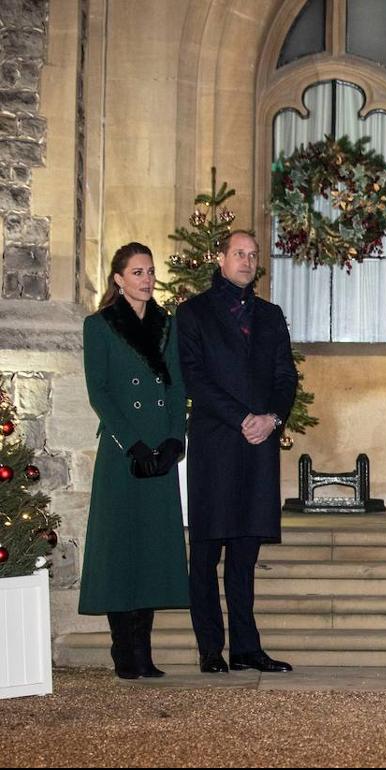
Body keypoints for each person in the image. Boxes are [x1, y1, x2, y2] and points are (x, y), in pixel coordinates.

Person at [177, 230, 298, 674]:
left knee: (245, 555)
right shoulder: (193, 313)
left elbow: (286, 376)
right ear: (221, 258)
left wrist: (272, 419)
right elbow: (193, 377)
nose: (247, 261)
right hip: (215, 445)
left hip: (259, 447)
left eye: (253, 255)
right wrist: (241, 418)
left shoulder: (270, 315)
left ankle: (247, 647)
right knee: (207, 554)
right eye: (239, 254)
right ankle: (211, 649)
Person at [79, 242, 190, 679]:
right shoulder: (100, 325)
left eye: (150, 271)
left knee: (153, 550)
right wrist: (133, 444)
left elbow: (178, 386)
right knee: (119, 547)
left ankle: (144, 649)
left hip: (159, 454)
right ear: (119, 278)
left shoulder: (167, 326)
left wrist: (173, 440)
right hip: (124, 456)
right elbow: (99, 392)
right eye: (138, 272)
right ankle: (124, 649)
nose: (147, 279)